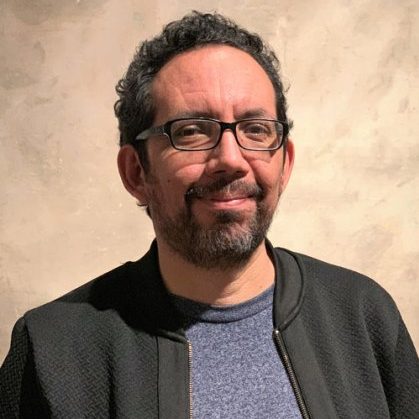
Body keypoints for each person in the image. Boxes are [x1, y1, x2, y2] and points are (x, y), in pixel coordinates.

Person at [0, 11, 418, 419]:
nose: (231, 160)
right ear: (136, 172)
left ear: (285, 164)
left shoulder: (363, 316)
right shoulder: (53, 351)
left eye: (256, 130)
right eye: (192, 131)